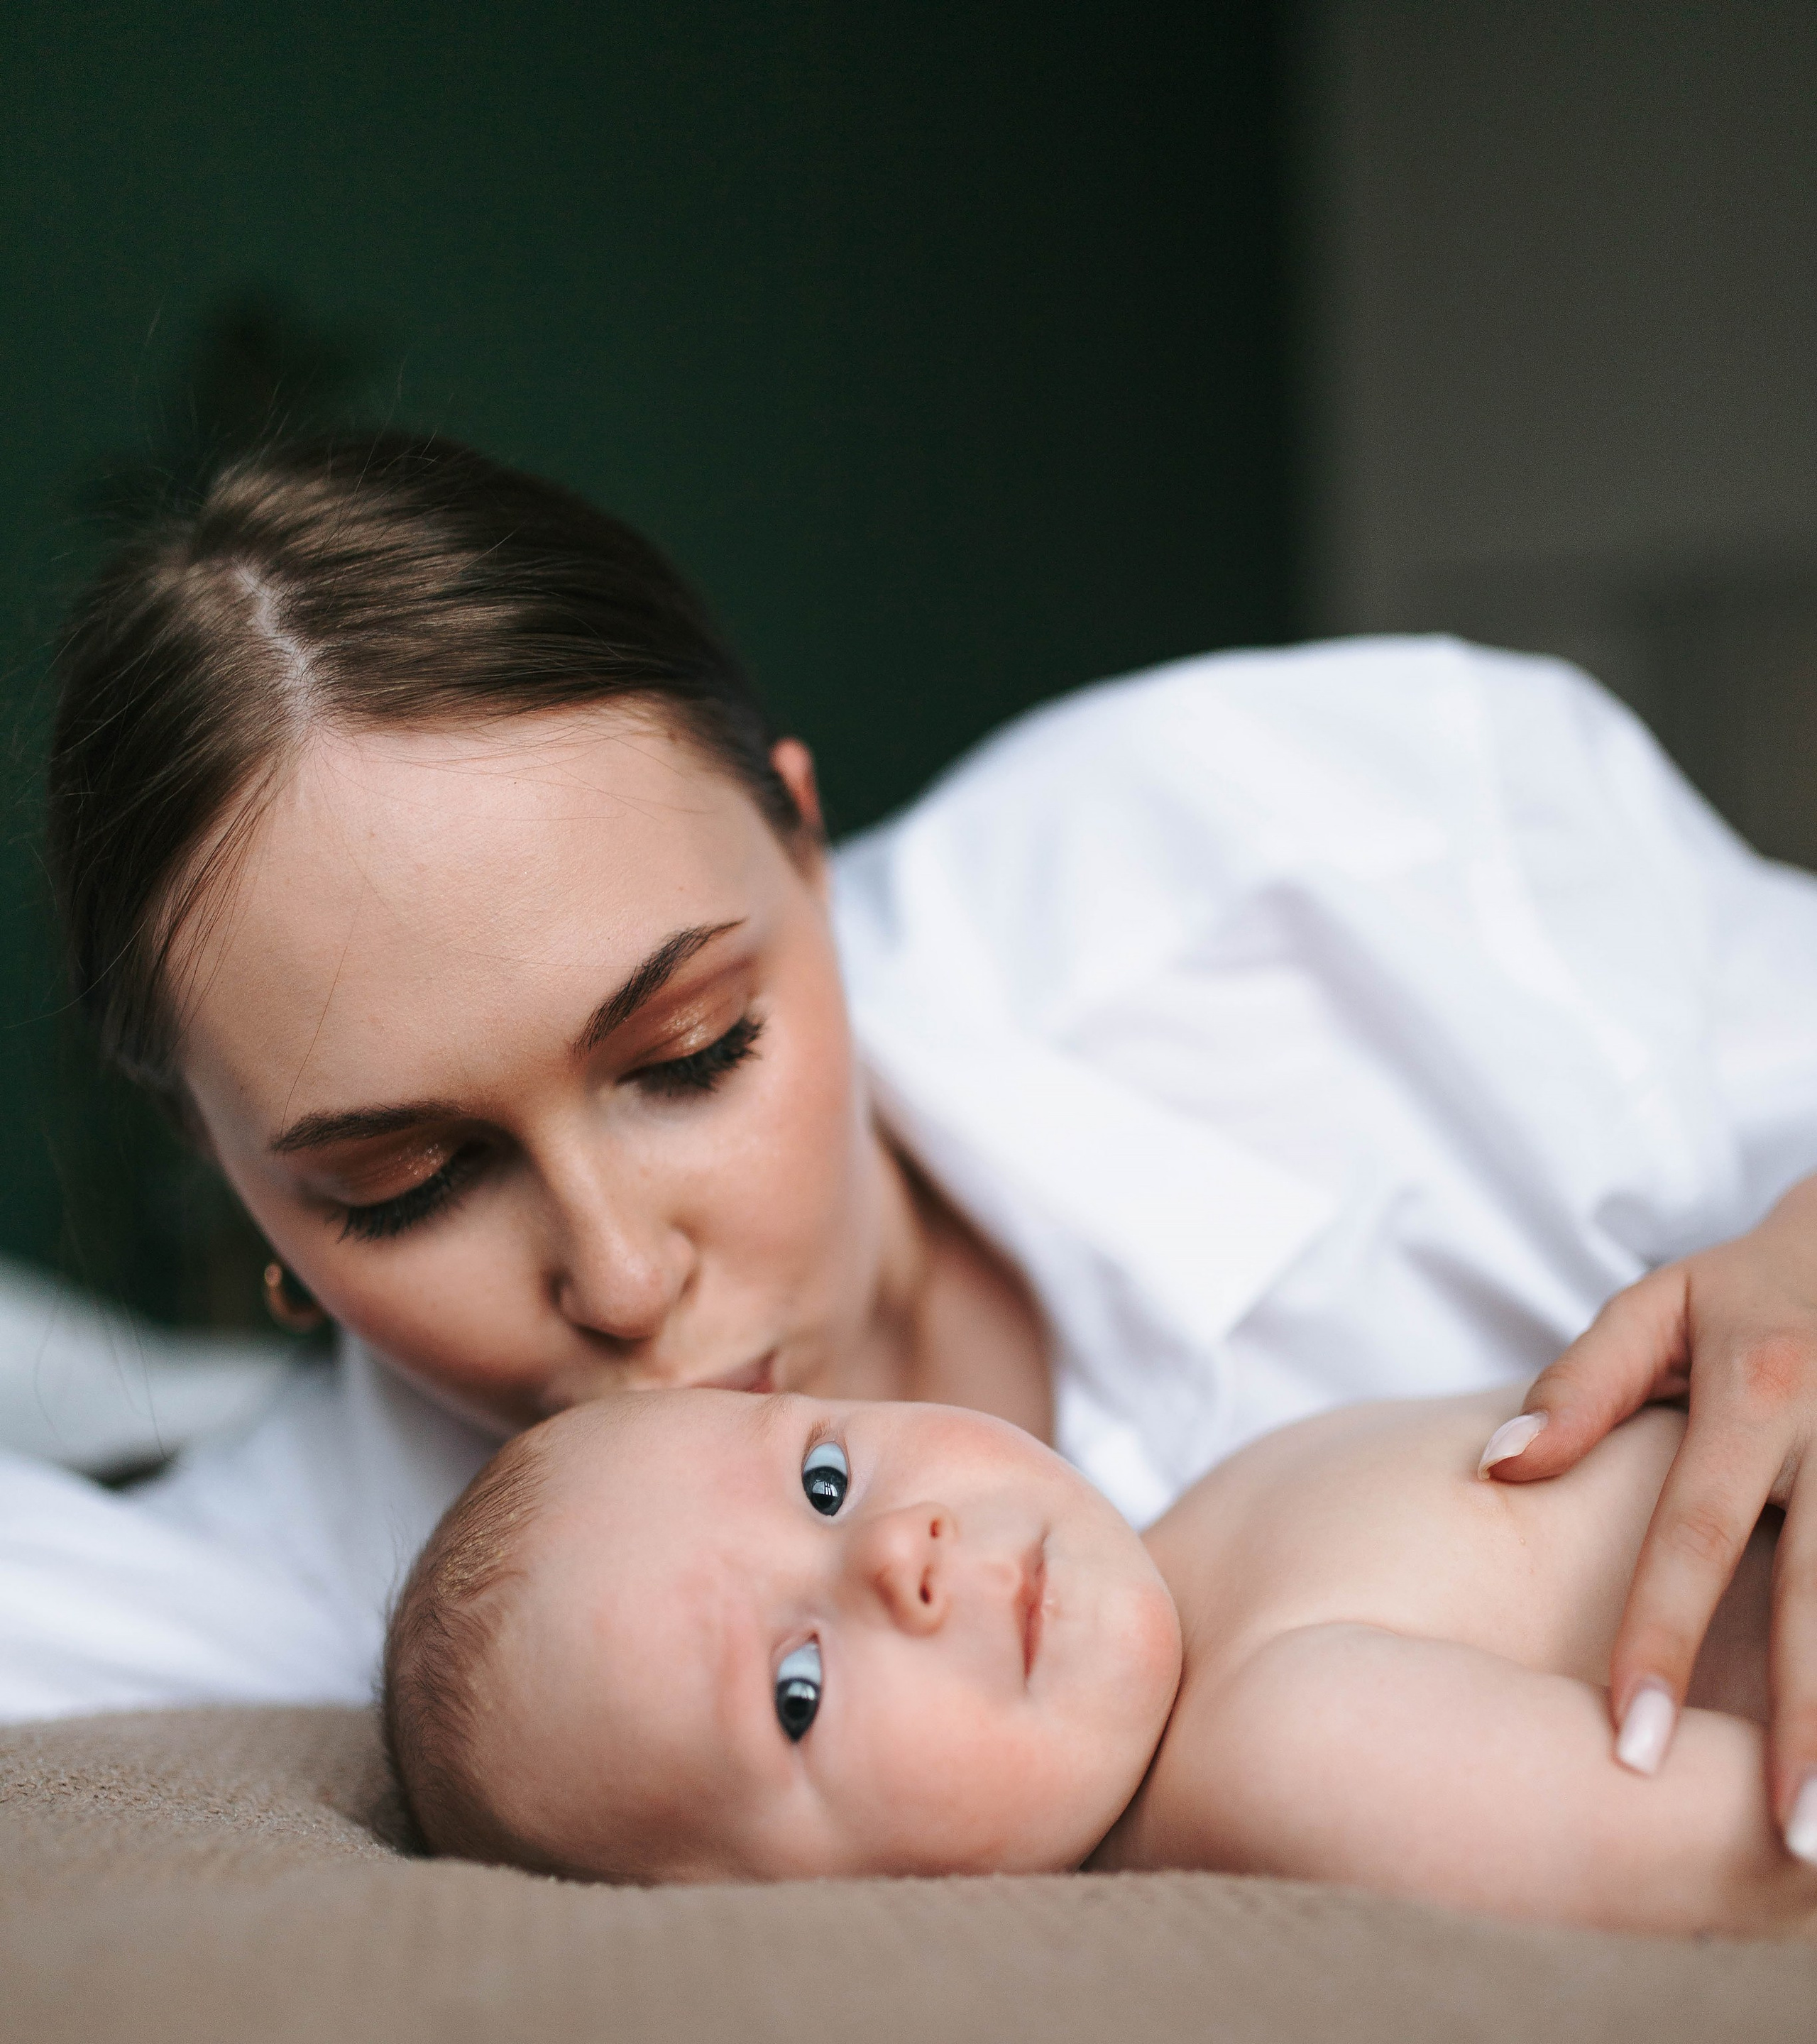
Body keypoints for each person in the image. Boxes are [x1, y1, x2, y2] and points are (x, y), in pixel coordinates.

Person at [9, 430, 1817, 1855]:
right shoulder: (321, 1589)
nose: (626, 1278)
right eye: (403, 1187)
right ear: (237, 1170)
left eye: (696, 1051)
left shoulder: (1301, 851)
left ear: (804, 842)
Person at [379, 1380, 1817, 1934]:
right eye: (794, 1692)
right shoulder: (1286, 1752)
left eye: (823, 1479)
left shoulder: (1206, 1518)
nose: (899, 1553)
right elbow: (1753, 1852)